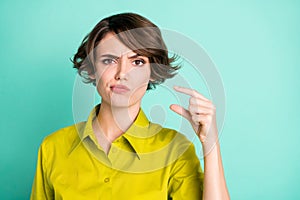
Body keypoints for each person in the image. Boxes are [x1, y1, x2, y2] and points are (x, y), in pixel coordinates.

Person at [30, 12, 230, 200]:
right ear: (91, 69)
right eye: (109, 60)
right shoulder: (52, 148)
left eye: (138, 62)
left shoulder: (175, 150)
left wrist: (210, 142)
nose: (122, 73)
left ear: (152, 72)